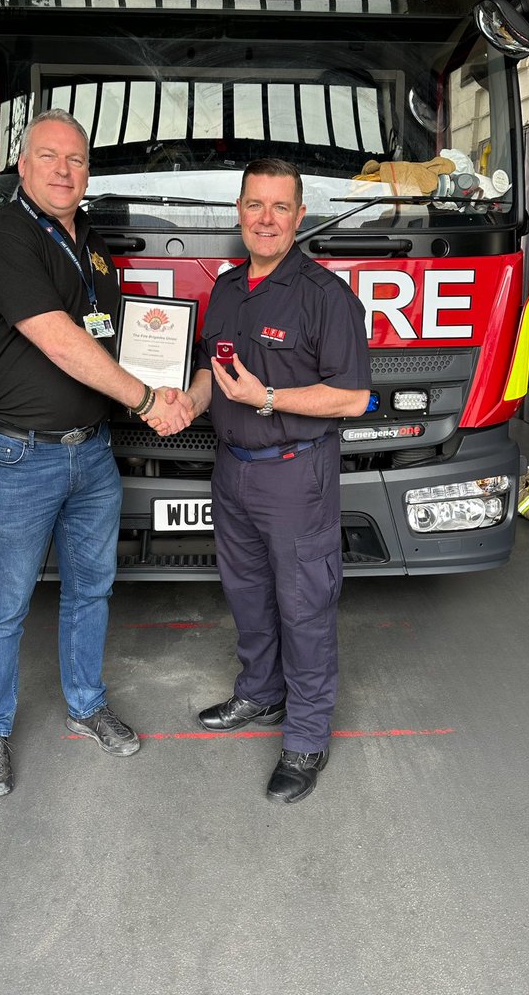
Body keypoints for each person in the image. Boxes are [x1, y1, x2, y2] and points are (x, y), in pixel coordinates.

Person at [0, 109, 191, 797]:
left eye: (77, 160)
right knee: (5, 603)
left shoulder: (87, 242)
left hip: (92, 453)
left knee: (91, 589)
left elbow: (110, 333)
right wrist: (152, 402)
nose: (65, 171)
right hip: (18, 456)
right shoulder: (1, 236)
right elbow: (60, 339)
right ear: (23, 165)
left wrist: (178, 371)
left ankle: (86, 705)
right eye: (50, 157)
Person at [169, 158, 371, 804]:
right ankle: (259, 694)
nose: (265, 218)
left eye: (279, 207)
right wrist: (186, 404)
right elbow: (213, 369)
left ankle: (306, 739)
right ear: (238, 210)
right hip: (232, 471)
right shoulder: (226, 288)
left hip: (295, 476)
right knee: (248, 595)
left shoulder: (324, 296)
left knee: (304, 608)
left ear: (298, 217)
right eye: (254, 204)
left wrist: (269, 397)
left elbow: (352, 400)